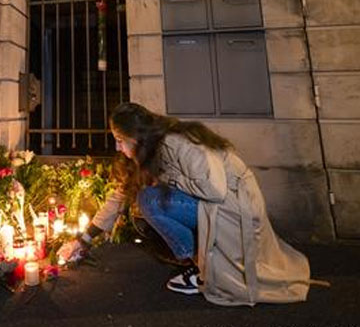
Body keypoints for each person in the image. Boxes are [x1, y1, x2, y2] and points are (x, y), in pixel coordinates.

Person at [58, 102, 310, 306]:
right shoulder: (145, 153)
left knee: (150, 201)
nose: (117, 146)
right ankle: (198, 262)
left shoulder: (176, 141)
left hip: (233, 206)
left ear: (137, 136)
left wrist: (165, 179)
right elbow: (117, 198)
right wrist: (82, 241)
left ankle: (202, 271)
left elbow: (215, 189)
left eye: (120, 138)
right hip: (215, 204)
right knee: (142, 207)